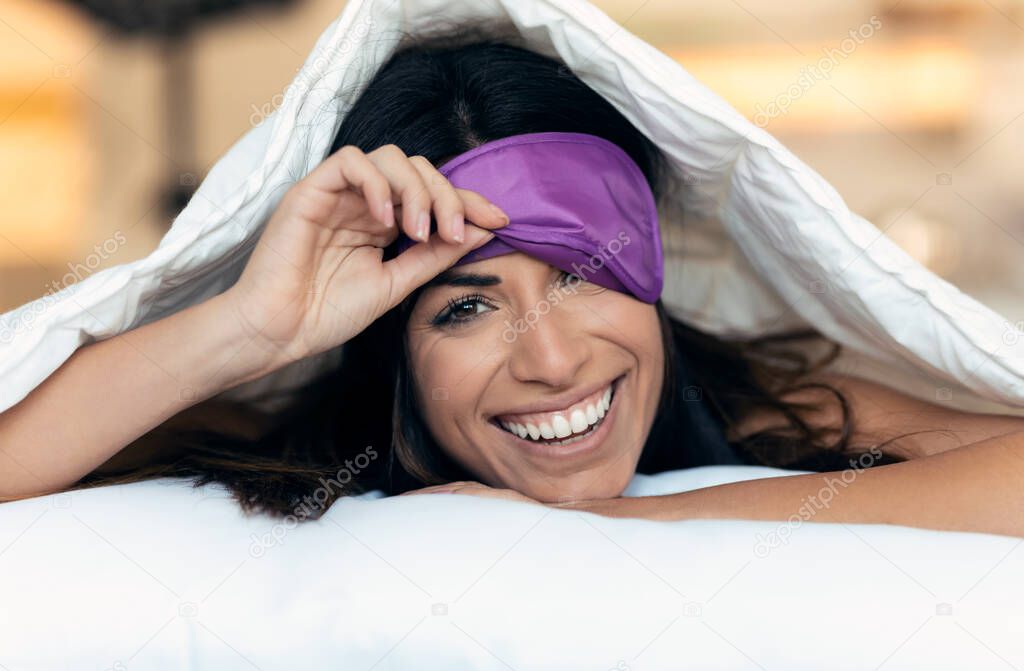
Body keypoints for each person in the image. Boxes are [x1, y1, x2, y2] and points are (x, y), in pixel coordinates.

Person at [2, 26, 1023, 536]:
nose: (552, 358)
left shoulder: (764, 408)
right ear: (387, 337)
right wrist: (251, 330)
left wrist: (628, 526)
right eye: (467, 305)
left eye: (582, 271)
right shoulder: (290, 468)